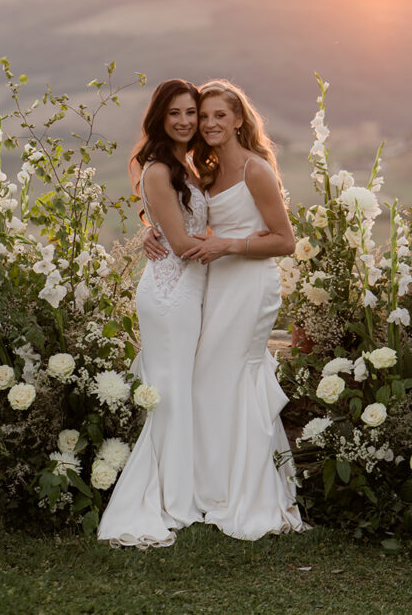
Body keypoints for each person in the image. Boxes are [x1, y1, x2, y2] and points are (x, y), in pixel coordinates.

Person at [181, 80, 306, 540]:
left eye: (219, 115)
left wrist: (228, 245)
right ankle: (211, 485)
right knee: (209, 378)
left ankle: (248, 491)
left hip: (251, 285)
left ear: (238, 119)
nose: (210, 124)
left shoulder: (257, 170)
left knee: (235, 375)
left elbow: (285, 241)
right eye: (204, 116)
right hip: (217, 281)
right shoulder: (207, 172)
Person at [96, 79, 208, 548]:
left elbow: (174, 226)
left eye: (191, 113)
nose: (184, 121)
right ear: (160, 119)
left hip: (186, 285)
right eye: (175, 113)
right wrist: (246, 240)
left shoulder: (185, 164)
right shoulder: (159, 168)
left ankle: (187, 489)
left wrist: (154, 228)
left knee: (183, 387)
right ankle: (168, 498)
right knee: (171, 391)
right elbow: (182, 244)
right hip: (171, 292)